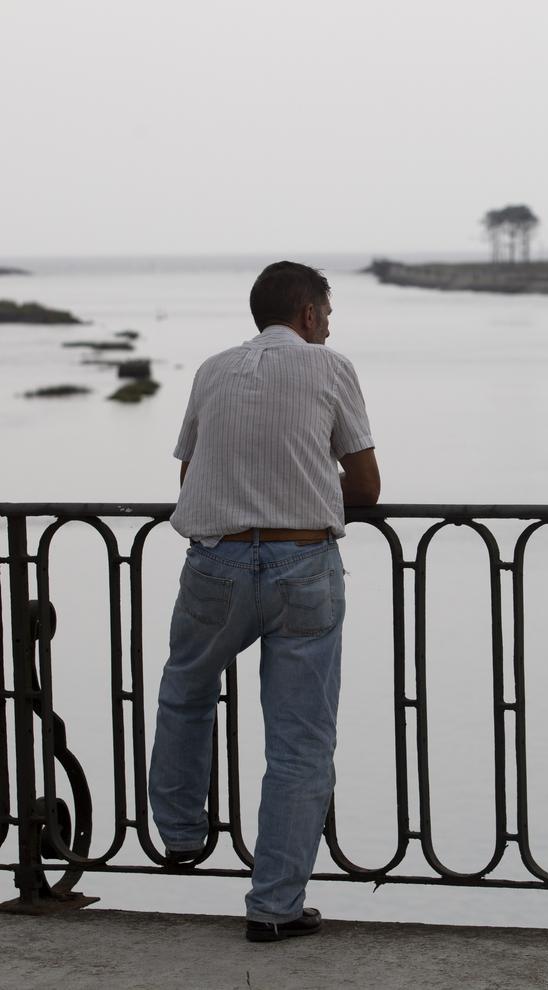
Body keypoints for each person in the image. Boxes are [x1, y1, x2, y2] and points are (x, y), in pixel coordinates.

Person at [149, 261, 380, 943]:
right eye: (328, 314)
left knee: (185, 693)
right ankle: (275, 907)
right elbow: (366, 486)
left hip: (215, 566)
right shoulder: (329, 366)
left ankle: (182, 833)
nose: (330, 325)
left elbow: (192, 475)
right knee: (301, 744)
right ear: (308, 314)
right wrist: (304, 469)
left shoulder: (212, 370)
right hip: (301, 565)